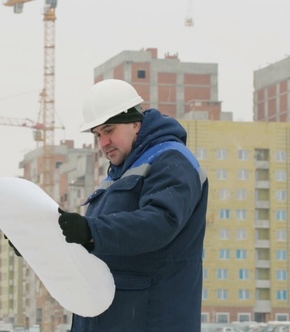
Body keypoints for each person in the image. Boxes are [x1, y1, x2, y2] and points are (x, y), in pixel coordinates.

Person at [57, 79, 209, 331]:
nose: (103, 143)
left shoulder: (172, 160)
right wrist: (42, 243)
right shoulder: (118, 175)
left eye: (109, 130)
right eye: (98, 134)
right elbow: (95, 248)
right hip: (114, 317)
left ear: (135, 123)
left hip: (149, 319)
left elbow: (159, 223)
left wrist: (91, 231)